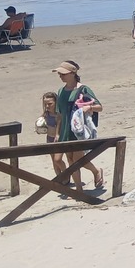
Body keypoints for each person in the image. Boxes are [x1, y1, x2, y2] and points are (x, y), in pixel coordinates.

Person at [53, 61, 105, 190]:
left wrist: (89, 107)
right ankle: (79, 190)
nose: (61, 76)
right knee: (70, 159)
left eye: (63, 73)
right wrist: (58, 133)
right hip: (66, 130)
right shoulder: (61, 91)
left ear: (73, 73)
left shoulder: (83, 89)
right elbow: (60, 115)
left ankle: (96, 171)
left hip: (78, 131)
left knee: (77, 160)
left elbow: (99, 107)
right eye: (59, 73)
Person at [39, 91, 67, 177]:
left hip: (57, 139)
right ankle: (59, 178)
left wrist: (57, 134)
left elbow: (59, 125)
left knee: (57, 160)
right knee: (53, 161)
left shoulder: (58, 114)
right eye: (45, 104)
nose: (47, 106)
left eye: (50, 104)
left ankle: (66, 174)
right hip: (49, 139)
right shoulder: (46, 114)